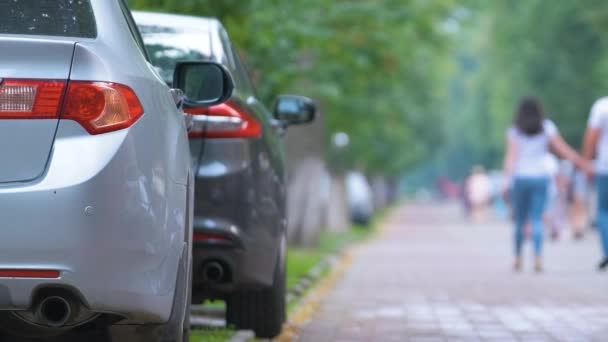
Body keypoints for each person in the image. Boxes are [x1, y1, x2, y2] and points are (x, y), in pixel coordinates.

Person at [503, 97, 589, 272]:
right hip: (540, 177)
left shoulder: (515, 131)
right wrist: (580, 161)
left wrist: (506, 181)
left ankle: (518, 257)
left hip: (521, 177)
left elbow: (511, 158)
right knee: (536, 219)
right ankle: (537, 256)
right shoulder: (547, 128)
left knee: (520, 221)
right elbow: (562, 148)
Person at [582, 97, 608, 270]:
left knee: (603, 212)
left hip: (605, 167)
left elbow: (592, 137)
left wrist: (586, 163)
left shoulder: (602, 106)